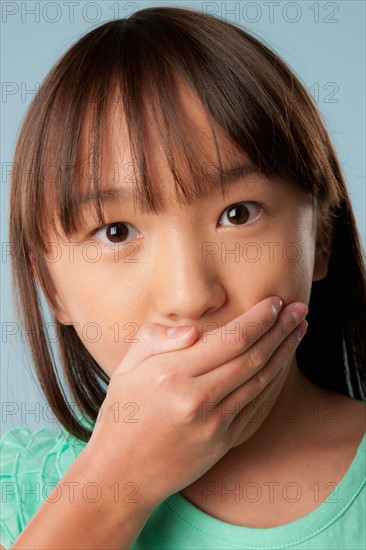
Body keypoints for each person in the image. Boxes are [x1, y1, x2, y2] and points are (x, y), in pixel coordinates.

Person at [1, 6, 365, 549]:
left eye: (238, 214)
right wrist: (114, 487)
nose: (189, 296)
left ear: (319, 240)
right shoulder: (21, 496)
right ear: (51, 287)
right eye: (117, 232)